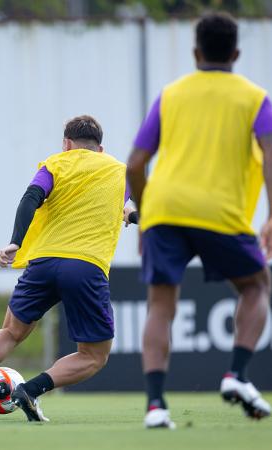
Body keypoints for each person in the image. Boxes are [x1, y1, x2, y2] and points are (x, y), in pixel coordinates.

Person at [127, 12, 272, 429]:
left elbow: (135, 164)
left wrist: (147, 209)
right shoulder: (254, 97)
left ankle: (156, 407)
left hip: (165, 209)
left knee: (161, 305)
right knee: (257, 285)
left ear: (195, 52)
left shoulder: (170, 95)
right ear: (236, 53)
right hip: (220, 211)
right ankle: (237, 375)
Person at [0, 115, 130, 421]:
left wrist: (15, 242)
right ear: (101, 149)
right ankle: (32, 389)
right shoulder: (119, 172)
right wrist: (132, 216)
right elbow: (132, 205)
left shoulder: (56, 164)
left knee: (11, 331)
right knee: (93, 355)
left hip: (43, 263)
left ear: (66, 144)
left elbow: (31, 197)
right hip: (86, 266)